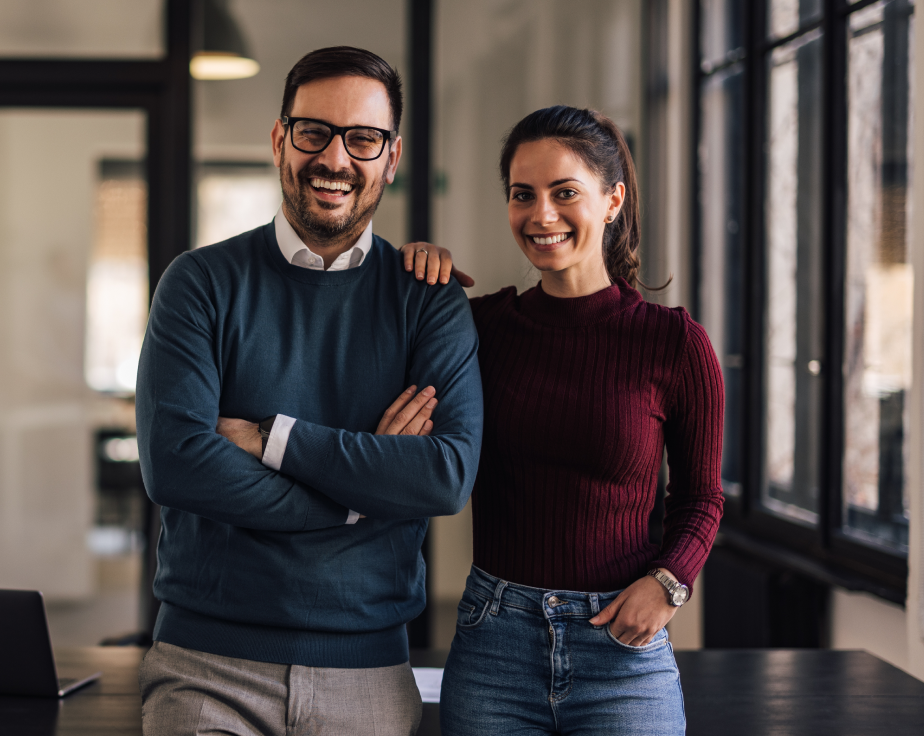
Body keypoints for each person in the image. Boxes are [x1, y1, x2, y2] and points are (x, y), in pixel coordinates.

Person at [134, 46, 483, 735]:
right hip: (207, 668)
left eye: (363, 139)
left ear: (391, 157)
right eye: (314, 132)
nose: (335, 159)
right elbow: (177, 464)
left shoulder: (429, 301)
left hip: (369, 675)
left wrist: (273, 439)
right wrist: (362, 496)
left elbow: (443, 476)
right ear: (279, 139)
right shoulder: (199, 284)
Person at [397, 105, 724, 735]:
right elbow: (369, 346)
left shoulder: (676, 343)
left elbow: (701, 498)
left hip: (622, 652)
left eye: (564, 192)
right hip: (494, 645)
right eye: (523, 195)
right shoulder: (480, 327)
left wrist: (669, 582)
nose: (540, 214)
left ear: (613, 200)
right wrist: (408, 272)